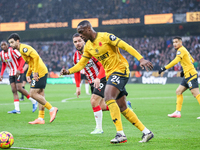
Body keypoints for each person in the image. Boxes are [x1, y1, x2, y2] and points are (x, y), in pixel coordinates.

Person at [60, 20, 154, 144]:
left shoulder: (105, 37)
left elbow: (125, 46)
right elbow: (81, 64)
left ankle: (120, 134)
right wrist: (68, 71)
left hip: (121, 69)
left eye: (81, 33)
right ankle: (146, 132)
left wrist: (141, 59)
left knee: (109, 96)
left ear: (88, 29)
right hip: (110, 75)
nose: (80, 36)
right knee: (122, 107)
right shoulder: (88, 47)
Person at [7, 33, 58, 124]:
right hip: (40, 71)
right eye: (9, 43)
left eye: (12, 42)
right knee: (40, 94)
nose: (10, 45)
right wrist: (28, 74)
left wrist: (35, 72)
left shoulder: (23, 48)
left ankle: (52, 109)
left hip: (40, 72)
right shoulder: (21, 50)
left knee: (32, 94)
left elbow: (36, 57)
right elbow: (30, 62)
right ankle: (41, 118)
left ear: (17, 41)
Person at [158, 36, 200, 119]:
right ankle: (177, 112)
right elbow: (192, 60)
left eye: (176, 42)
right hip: (187, 75)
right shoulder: (184, 50)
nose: (174, 44)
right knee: (178, 91)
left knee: (196, 94)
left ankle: (178, 112)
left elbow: (176, 61)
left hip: (191, 75)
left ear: (181, 42)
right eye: (173, 42)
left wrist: (164, 68)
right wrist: (184, 70)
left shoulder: (181, 50)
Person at [0, 41, 38, 114]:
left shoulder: (13, 51)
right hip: (11, 73)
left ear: (7, 45)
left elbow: (22, 60)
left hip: (18, 72)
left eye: (5, 44)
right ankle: (17, 109)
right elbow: (4, 64)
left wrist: (19, 69)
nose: (4, 46)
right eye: (2, 45)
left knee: (19, 88)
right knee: (14, 90)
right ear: (1, 47)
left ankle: (34, 101)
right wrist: (1, 74)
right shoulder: (1, 54)